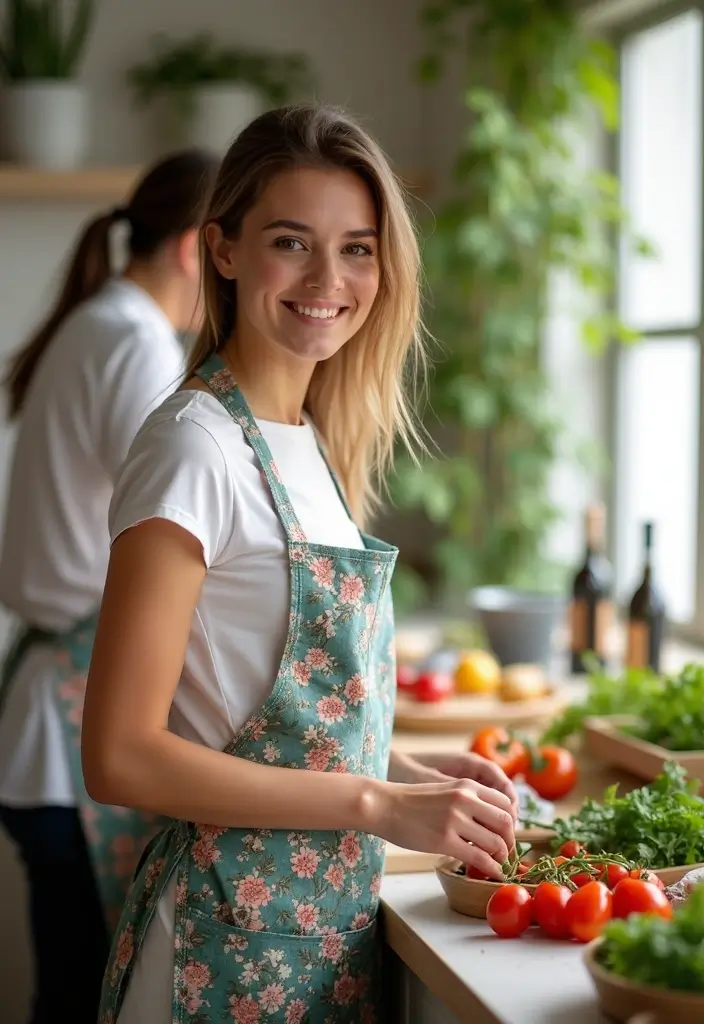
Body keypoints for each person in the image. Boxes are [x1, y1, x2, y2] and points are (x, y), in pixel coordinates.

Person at [81, 103, 518, 1024]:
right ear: (224, 251)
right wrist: (377, 804)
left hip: (312, 939)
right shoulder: (193, 448)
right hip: (222, 944)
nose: (330, 279)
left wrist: (406, 772)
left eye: (359, 248)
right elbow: (120, 755)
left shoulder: (306, 440)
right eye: (293, 242)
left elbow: (259, 717)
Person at [0, 148, 219, 1024]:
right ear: (198, 251)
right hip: (69, 728)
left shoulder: (103, 326)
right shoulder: (132, 346)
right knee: (85, 998)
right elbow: (179, 529)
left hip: (49, 716)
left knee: (68, 991)